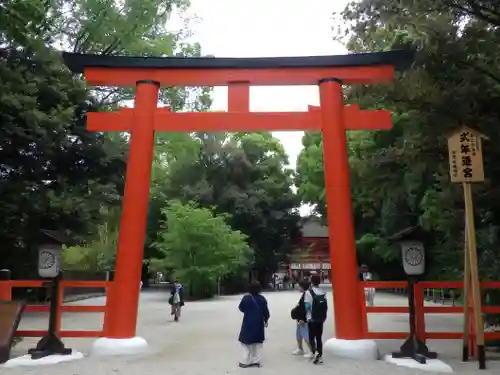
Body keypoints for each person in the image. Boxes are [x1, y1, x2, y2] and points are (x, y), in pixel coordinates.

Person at [238, 281, 270, 368]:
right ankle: (256, 360)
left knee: (246, 343)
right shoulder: (262, 299)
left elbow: (241, 308)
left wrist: (248, 311)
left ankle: (246, 361)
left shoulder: (246, 298)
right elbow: (266, 312)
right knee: (257, 343)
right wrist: (266, 320)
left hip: (248, 322)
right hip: (259, 323)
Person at [304, 274, 327, 364]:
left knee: (311, 337)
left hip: (311, 318)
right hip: (321, 318)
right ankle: (320, 354)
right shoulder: (322, 292)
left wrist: (307, 314)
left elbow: (307, 306)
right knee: (319, 337)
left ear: (311, 282)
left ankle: (314, 353)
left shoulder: (308, 292)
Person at [291, 280, 313, 358]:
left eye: (299, 286)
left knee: (305, 335)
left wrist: (302, 318)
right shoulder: (305, 293)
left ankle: (312, 351)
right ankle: (300, 348)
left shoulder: (307, 294)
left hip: (304, 318)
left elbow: (306, 307)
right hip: (300, 318)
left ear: (303, 287)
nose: (298, 287)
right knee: (299, 334)